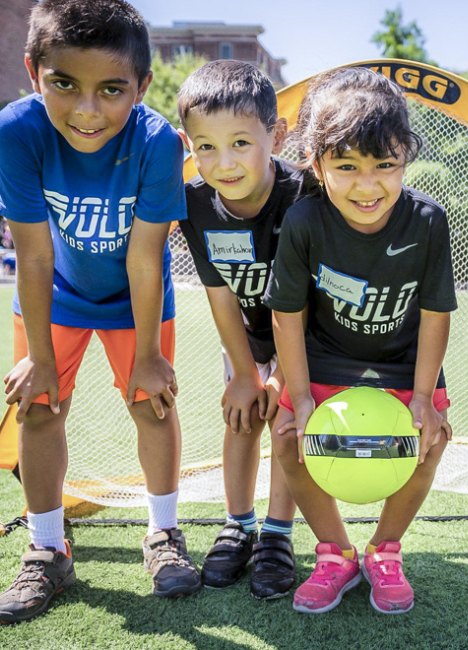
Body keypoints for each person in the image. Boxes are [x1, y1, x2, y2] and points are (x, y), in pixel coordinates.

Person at [0, 0, 201, 624]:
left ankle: (164, 534)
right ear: (35, 72)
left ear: (140, 87)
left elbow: (146, 258)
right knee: (38, 406)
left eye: (111, 90)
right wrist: (36, 355)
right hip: (53, 292)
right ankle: (46, 548)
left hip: (134, 298)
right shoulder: (16, 130)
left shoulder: (158, 142)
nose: (87, 110)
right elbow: (31, 255)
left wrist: (146, 357)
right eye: (65, 84)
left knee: (151, 403)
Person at [263, 67, 457, 615]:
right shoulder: (304, 220)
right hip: (327, 358)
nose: (366, 185)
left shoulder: (426, 221)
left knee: (429, 441)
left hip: (403, 364)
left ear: (404, 161)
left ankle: (384, 551)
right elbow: (287, 314)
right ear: (317, 163)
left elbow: (437, 312)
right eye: (346, 166)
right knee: (287, 439)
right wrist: (299, 397)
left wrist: (423, 397)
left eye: (384, 166)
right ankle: (335, 554)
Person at [177, 60, 312, 599]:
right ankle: (239, 524)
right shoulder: (194, 204)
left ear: (276, 134)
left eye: (239, 143)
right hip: (246, 335)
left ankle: (278, 536)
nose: (223, 162)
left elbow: (306, 302)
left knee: (285, 423)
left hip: (303, 336)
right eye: (206, 147)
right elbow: (219, 291)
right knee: (240, 416)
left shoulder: (306, 196)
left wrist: (284, 375)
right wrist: (243, 373)